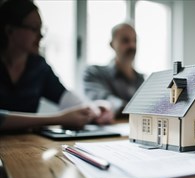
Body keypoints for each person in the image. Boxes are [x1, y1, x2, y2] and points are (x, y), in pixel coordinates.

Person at [0, 0, 114, 132]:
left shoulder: (39, 67)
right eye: (34, 28)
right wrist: (59, 118)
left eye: (41, 29)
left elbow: (70, 101)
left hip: (24, 145)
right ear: (10, 31)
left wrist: (96, 107)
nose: (41, 35)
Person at [83, 22, 144, 118]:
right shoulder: (94, 73)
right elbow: (104, 101)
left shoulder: (142, 80)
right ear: (112, 44)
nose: (132, 46)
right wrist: (134, 109)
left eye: (134, 41)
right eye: (125, 40)